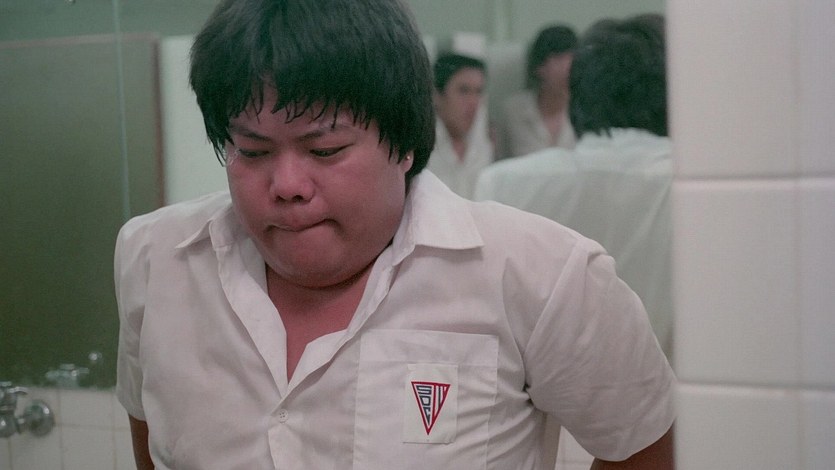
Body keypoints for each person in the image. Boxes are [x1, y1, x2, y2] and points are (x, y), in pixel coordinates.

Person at [114, 1, 675, 468]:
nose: (286, 186)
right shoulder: (156, 260)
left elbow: (644, 444)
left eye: (324, 150)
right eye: (252, 151)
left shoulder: (541, 274)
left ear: (404, 143)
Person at [475, 14, 674, 357]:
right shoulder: (697, 187)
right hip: (676, 384)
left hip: (534, 387)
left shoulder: (500, 185)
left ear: (578, 94)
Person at [501, 24, 578, 159]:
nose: (567, 67)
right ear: (539, 67)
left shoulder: (584, 112)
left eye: (573, 58)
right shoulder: (513, 112)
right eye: (559, 58)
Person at [427, 52, 494, 199]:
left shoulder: (484, 147)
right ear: (437, 95)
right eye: (464, 91)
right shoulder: (421, 147)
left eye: (478, 92)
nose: (473, 102)